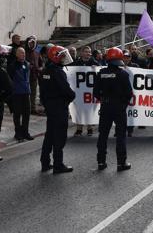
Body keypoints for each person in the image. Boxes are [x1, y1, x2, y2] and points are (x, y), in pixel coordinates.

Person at [93, 47, 132, 172]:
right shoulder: (123, 74)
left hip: (105, 107)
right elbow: (129, 93)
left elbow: (95, 93)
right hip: (119, 107)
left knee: (103, 135)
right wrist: (123, 104)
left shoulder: (101, 73)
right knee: (120, 135)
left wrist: (104, 100)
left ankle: (101, 162)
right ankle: (121, 163)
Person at [39, 45, 76, 174]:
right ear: (56, 56)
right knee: (59, 137)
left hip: (50, 107)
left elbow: (42, 93)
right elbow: (67, 91)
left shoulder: (45, 71)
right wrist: (71, 97)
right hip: (59, 108)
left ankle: (45, 162)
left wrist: (47, 104)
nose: (64, 58)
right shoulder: (58, 72)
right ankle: (58, 165)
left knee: (49, 135)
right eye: (62, 56)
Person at [8, 47, 33, 142]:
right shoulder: (12, 65)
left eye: (24, 52)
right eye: (21, 53)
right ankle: (17, 133)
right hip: (17, 93)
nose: (23, 54)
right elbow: (9, 79)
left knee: (27, 114)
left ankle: (25, 132)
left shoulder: (27, 63)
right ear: (17, 54)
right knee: (17, 114)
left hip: (26, 92)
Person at [73, 46, 99, 137]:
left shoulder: (94, 62)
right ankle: (79, 129)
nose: (88, 53)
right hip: (79, 91)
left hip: (90, 91)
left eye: (89, 52)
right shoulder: (76, 63)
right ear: (82, 53)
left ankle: (89, 128)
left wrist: (96, 68)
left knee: (89, 109)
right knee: (79, 109)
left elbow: (100, 72)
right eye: (86, 52)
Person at [24, 36, 43, 116]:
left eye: (33, 42)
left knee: (33, 93)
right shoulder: (24, 51)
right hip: (25, 76)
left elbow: (41, 62)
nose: (32, 44)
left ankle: (33, 108)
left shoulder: (37, 51)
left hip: (34, 75)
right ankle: (25, 108)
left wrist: (40, 68)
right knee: (25, 93)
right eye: (30, 42)